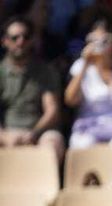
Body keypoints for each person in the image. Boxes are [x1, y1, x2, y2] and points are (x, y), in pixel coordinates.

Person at [64, 22, 112, 147]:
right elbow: (70, 100)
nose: (100, 44)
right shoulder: (80, 66)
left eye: (106, 40)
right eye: (94, 40)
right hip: (88, 127)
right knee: (85, 144)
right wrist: (85, 64)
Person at [0, 17, 63, 161]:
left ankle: (46, 183)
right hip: (7, 132)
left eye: (26, 37)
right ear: (4, 41)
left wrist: (33, 133)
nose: (20, 41)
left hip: (40, 132)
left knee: (53, 143)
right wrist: (4, 136)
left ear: (32, 40)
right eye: (15, 37)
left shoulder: (46, 71)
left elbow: (52, 110)